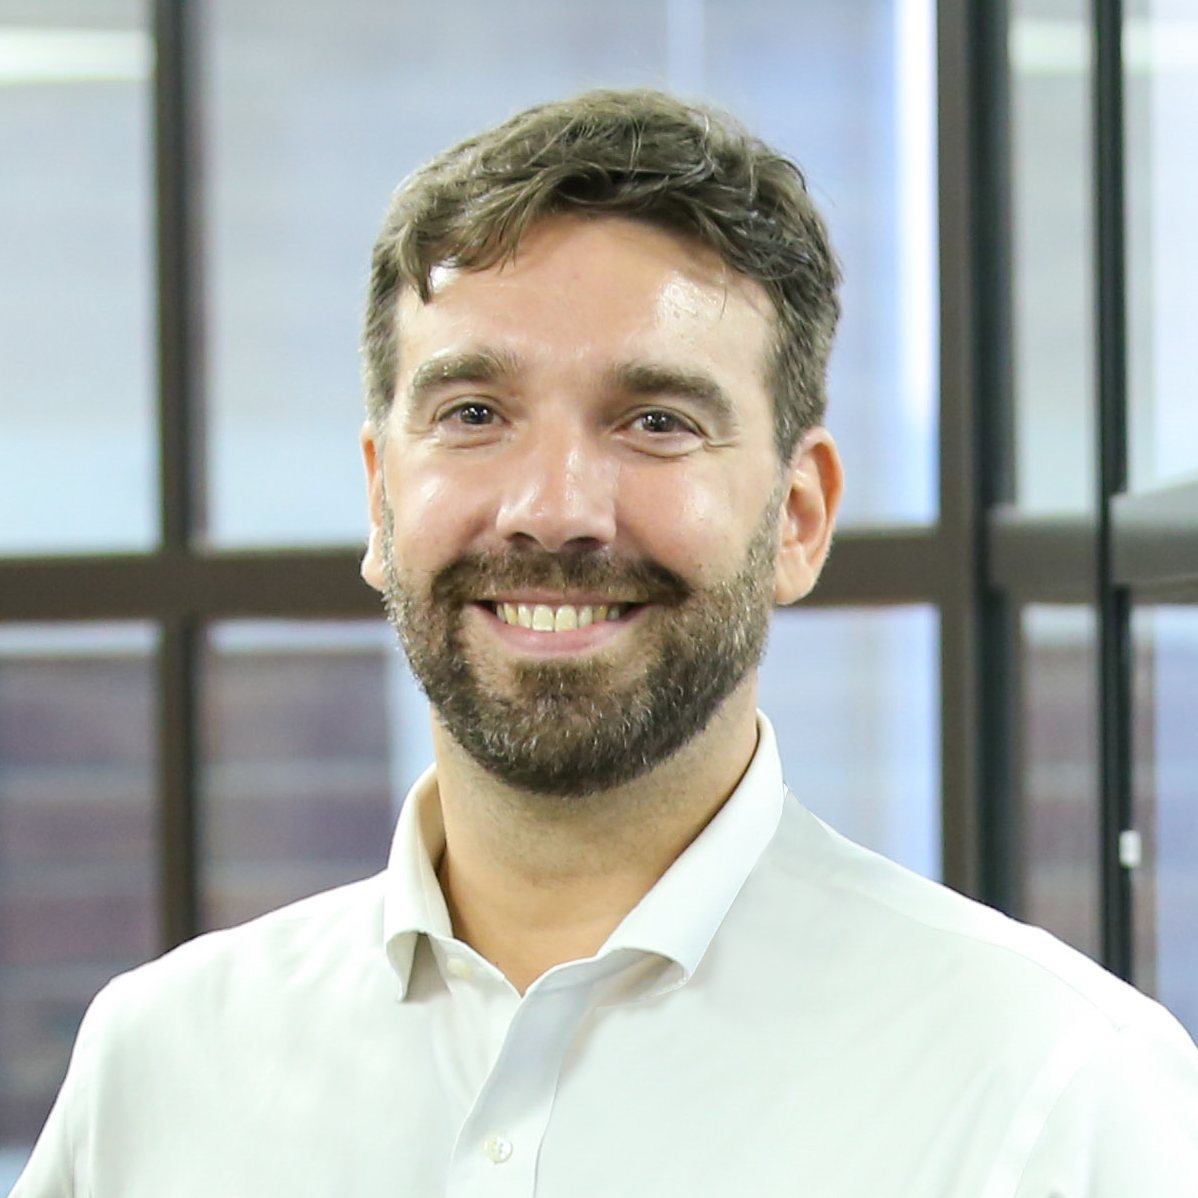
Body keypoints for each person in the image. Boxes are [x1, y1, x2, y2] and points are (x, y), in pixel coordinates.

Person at [14, 88, 1198, 1197]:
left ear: (797, 518)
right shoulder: (158, 1068)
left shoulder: (1054, 1091)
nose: (553, 507)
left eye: (655, 422)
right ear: (380, 500)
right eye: (473, 414)